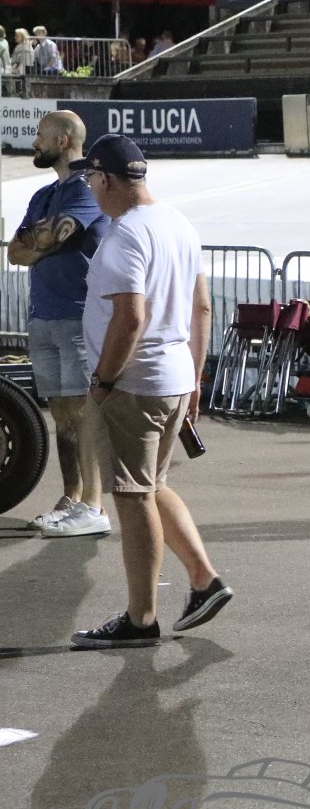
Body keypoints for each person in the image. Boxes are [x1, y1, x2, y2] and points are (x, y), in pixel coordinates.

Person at [70, 134, 233, 648]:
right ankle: (204, 580)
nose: (90, 188)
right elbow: (201, 307)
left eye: (91, 179)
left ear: (106, 179)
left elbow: (131, 317)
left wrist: (103, 381)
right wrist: (196, 378)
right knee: (153, 484)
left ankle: (141, 620)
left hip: (134, 383)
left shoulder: (123, 236)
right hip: (174, 376)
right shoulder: (178, 223)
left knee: (133, 494)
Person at [9, 111, 112, 537]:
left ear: (63, 140)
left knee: (83, 412)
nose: (35, 142)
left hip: (77, 315)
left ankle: (93, 504)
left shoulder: (86, 190)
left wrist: (43, 242)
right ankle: (71, 499)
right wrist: (46, 241)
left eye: (40, 135)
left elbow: (45, 239)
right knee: (62, 414)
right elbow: (16, 250)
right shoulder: (43, 194)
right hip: (43, 316)